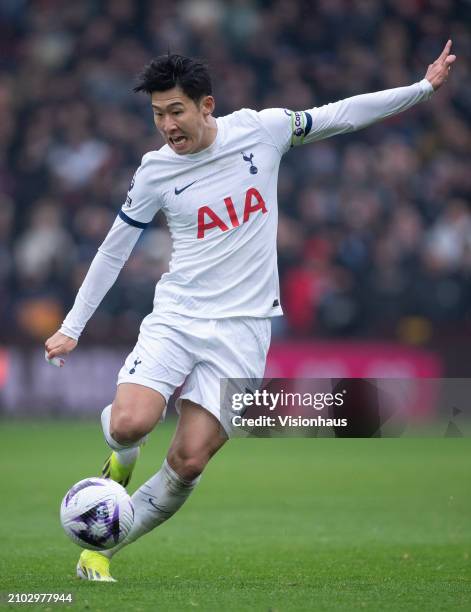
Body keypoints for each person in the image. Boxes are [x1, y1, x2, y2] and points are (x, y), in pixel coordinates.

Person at [45, 41, 456, 582]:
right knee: (128, 425)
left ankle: (100, 550)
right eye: (157, 114)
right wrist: (72, 327)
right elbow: (113, 248)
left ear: (206, 106)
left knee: (189, 460)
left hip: (244, 328)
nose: (167, 125)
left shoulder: (262, 131)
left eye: (176, 111)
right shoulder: (154, 173)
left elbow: (342, 114)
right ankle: (122, 453)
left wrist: (421, 88)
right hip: (179, 316)